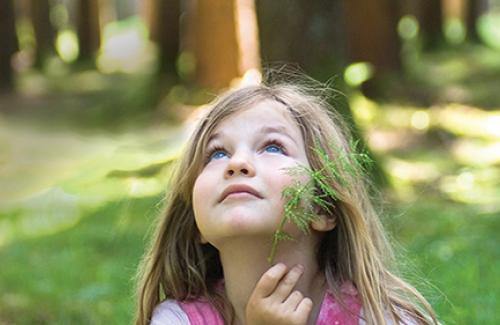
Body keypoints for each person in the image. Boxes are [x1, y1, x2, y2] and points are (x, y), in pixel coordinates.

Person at [134, 77, 438, 325]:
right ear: (195, 223)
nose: (237, 163)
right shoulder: (177, 320)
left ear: (322, 206)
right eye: (217, 153)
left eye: (273, 147)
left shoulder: (376, 318)